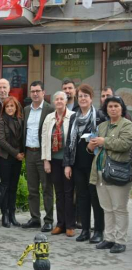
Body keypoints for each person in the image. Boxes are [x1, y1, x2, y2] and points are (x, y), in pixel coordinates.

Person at [88, 96, 132, 253]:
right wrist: (90, 145)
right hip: (100, 171)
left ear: (122, 109)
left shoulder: (127, 125)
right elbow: (95, 146)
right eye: (110, 106)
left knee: (119, 208)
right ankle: (109, 238)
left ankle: (120, 241)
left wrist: (103, 141)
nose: (113, 109)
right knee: (107, 208)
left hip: (118, 173)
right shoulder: (102, 126)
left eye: (116, 106)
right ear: (106, 109)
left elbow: (125, 144)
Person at [63, 84, 105, 243]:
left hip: (94, 163)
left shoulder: (99, 116)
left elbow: (103, 138)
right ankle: (85, 230)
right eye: (80, 96)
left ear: (91, 98)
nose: (82, 99)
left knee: (95, 197)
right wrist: (67, 164)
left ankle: (99, 231)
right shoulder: (74, 116)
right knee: (82, 197)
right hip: (77, 164)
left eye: (85, 96)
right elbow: (69, 142)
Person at [41, 91, 76, 237]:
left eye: (62, 99)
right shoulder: (49, 118)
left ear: (66, 101)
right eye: (57, 99)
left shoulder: (73, 116)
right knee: (59, 193)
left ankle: (70, 225)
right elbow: (44, 139)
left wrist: (69, 163)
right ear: (54, 102)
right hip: (53, 160)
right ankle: (60, 224)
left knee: (68, 193)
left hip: (68, 161)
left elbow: (74, 139)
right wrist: (46, 160)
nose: (59, 101)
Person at [22, 81, 55, 232]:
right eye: (32, 91)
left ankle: (48, 220)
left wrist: (48, 157)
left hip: (43, 154)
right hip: (29, 152)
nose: (35, 94)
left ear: (43, 92)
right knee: (32, 189)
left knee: (47, 188)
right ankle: (35, 218)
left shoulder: (50, 109)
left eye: (38, 91)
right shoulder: (26, 110)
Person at [0, 96, 24, 228]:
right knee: (5, 187)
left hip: (17, 159)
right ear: (4, 108)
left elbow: (22, 139)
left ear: (16, 107)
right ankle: (5, 215)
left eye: (12, 106)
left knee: (13, 187)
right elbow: (2, 141)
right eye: (7, 106)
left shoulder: (20, 120)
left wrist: (22, 152)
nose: (10, 108)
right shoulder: (1, 121)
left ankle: (13, 214)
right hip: (6, 158)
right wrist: (16, 153)